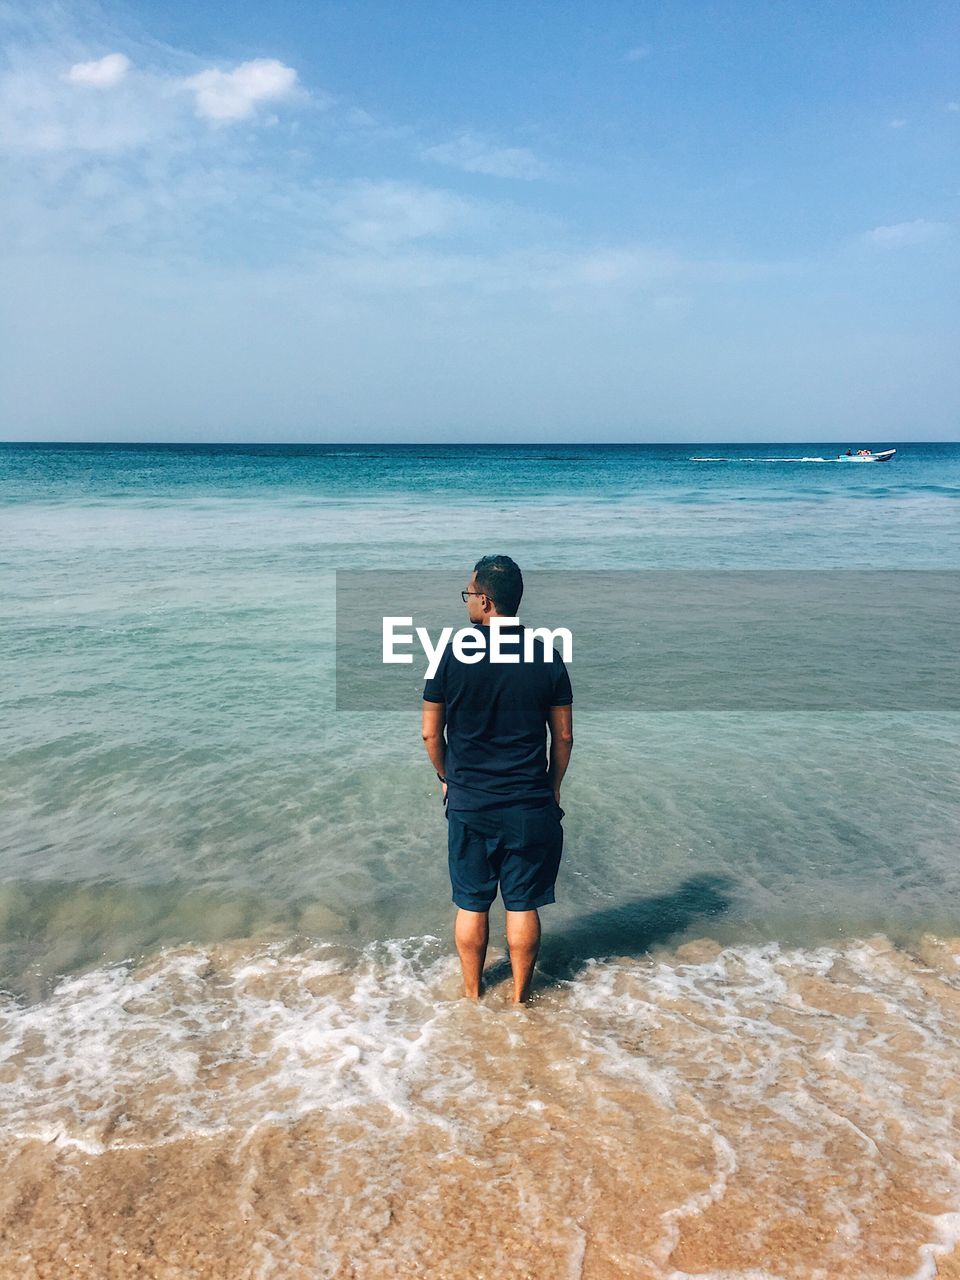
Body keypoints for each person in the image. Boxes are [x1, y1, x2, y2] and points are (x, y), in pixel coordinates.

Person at [421, 555, 574, 1004]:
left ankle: (472, 995)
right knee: (522, 904)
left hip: (470, 802)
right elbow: (563, 736)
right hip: (529, 802)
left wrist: (447, 776)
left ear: (486, 602)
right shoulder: (547, 655)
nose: (467, 602)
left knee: (471, 903)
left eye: (469, 594)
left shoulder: (448, 655)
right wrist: (553, 785)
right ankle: (520, 999)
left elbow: (431, 732)